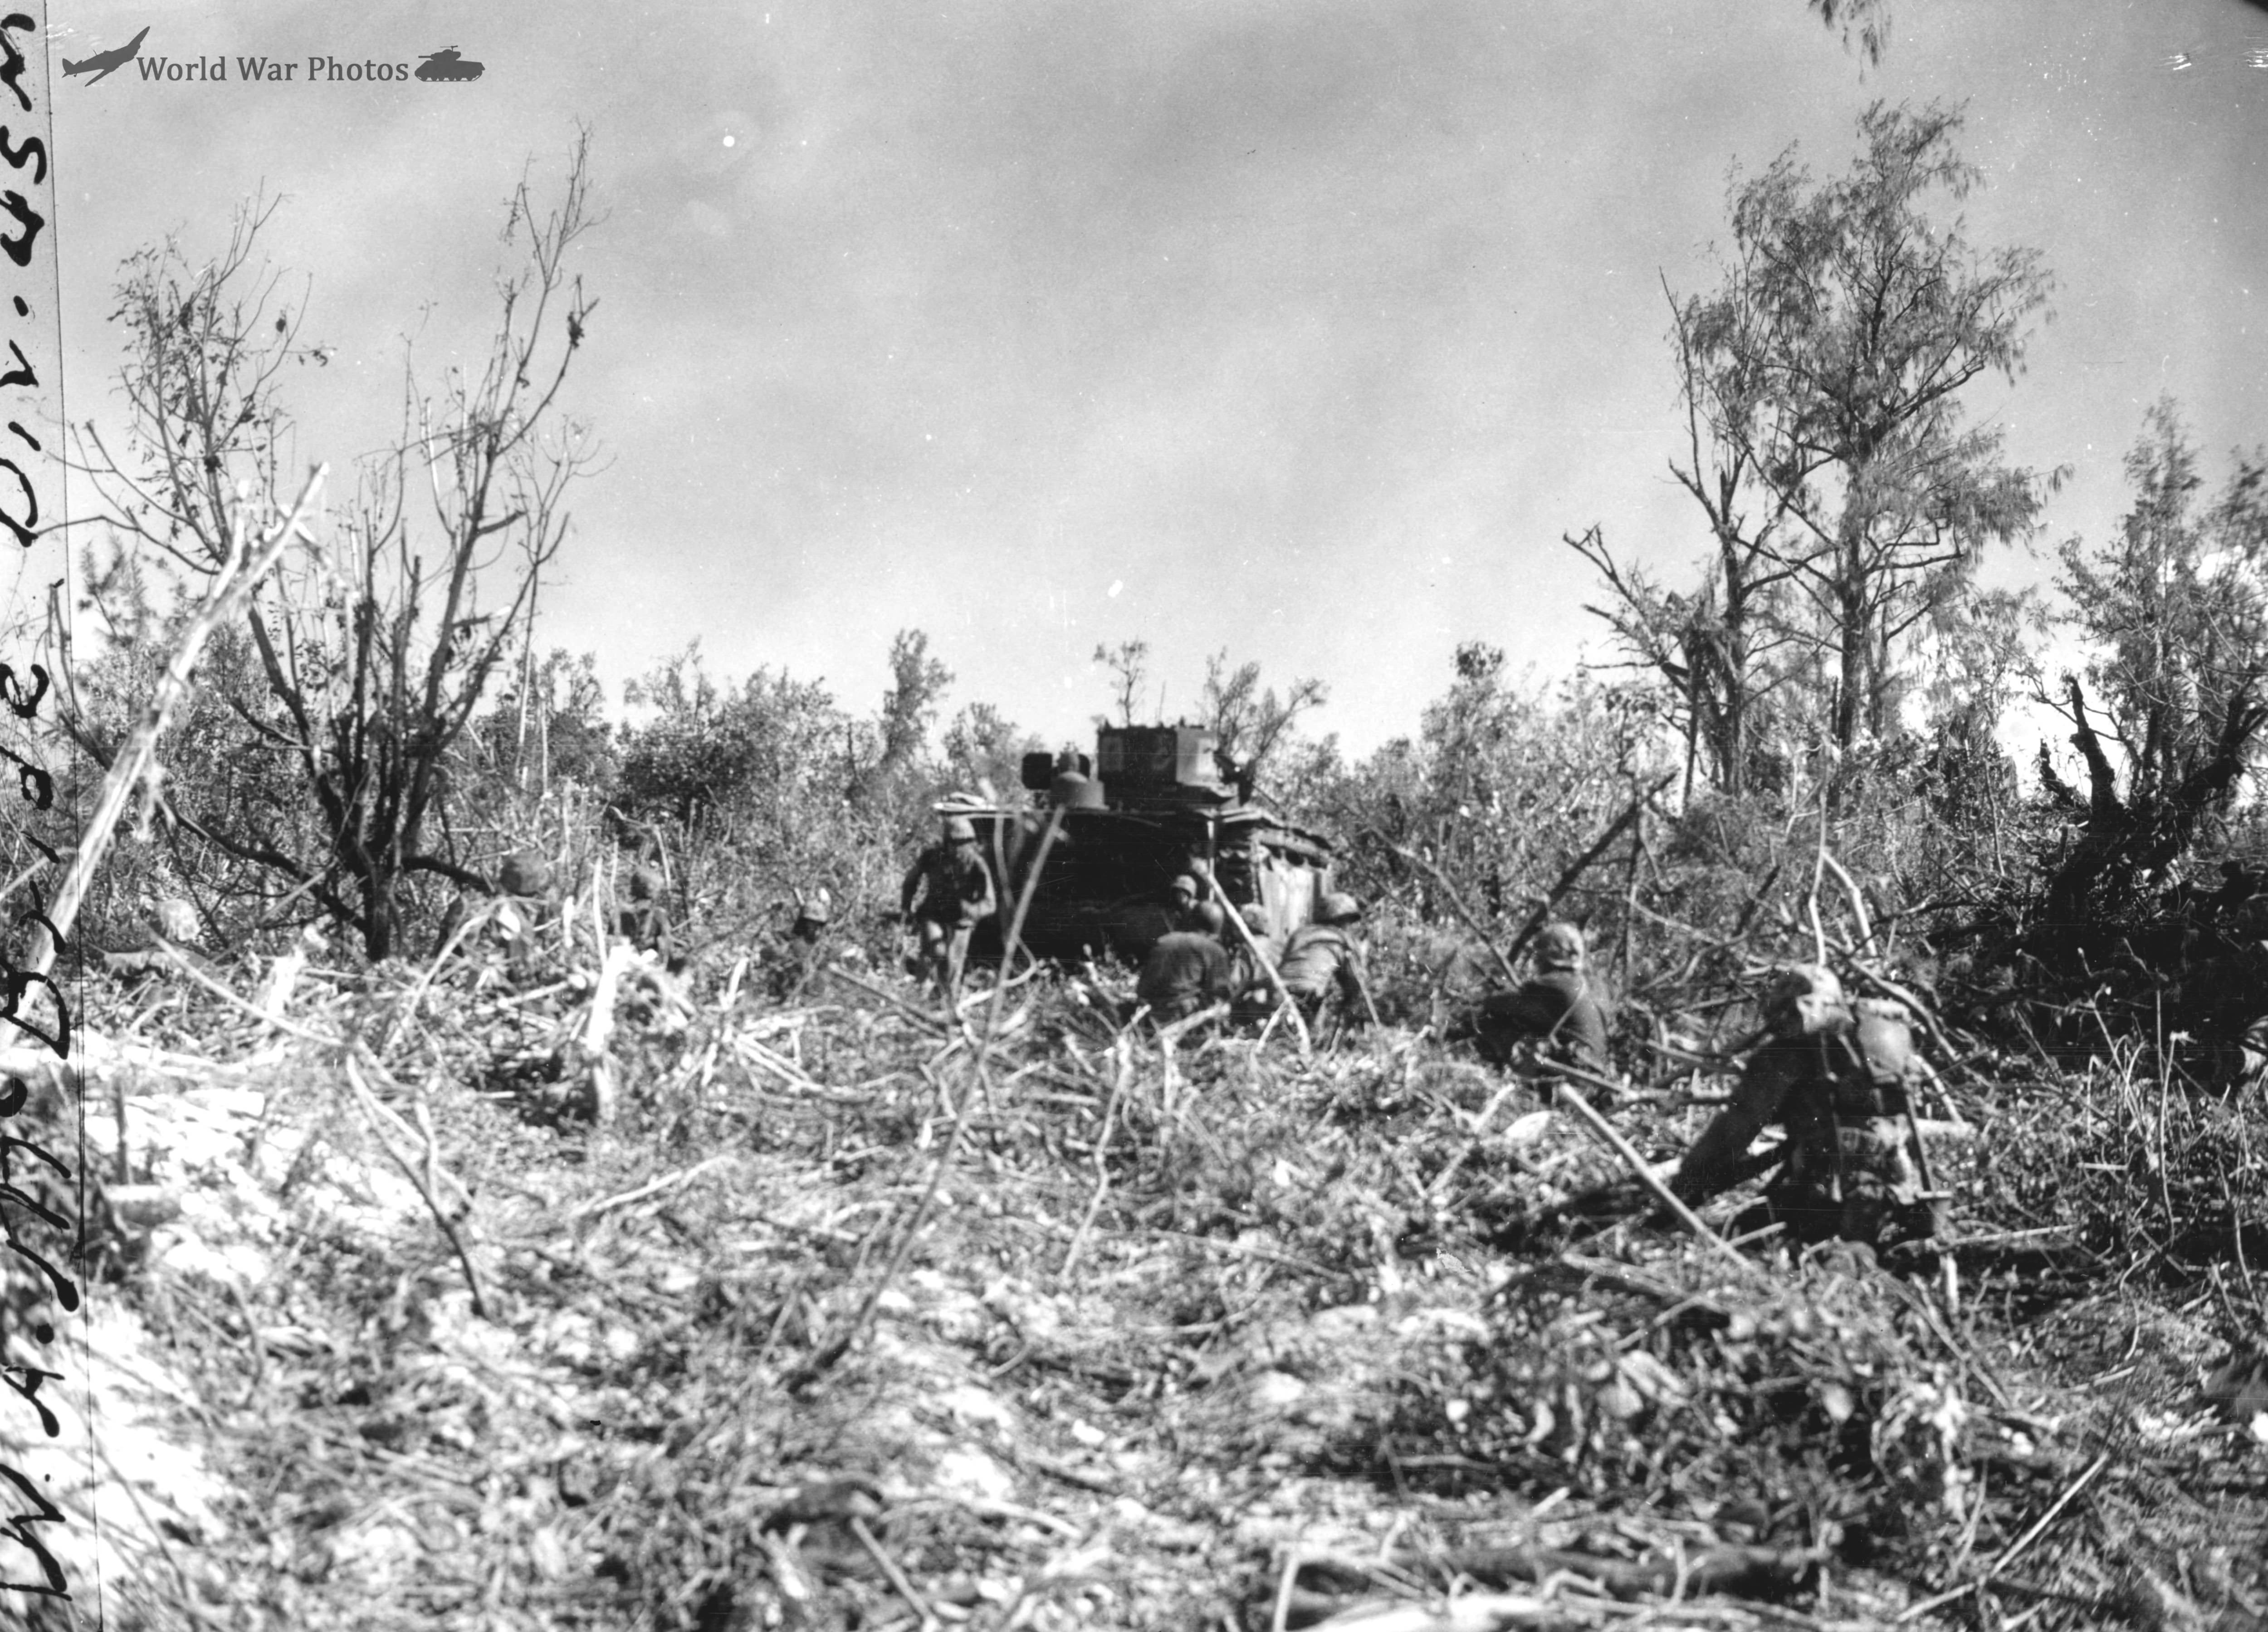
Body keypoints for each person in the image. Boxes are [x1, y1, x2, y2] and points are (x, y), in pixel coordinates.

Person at [1670, 964, 1944, 1260]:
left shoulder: (1783, 1056)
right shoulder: (1879, 1036)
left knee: (1735, 1235)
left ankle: (1844, 1256)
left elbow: (1732, 1133)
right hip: (1897, 1192)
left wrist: (1682, 1188)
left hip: (1822, 1194)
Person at [1460, 921, 1612, 1081]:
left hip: (1569, 1069)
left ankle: (1499, 1076)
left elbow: (1498, 1004)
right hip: (1595, 1071)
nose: (1536, 961)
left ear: (1548, 956)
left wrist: (1475, 1003)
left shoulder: (1555, 984)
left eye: (1538, 955)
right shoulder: (1598, 986)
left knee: (1488, 1018)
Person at [900, 815, 997, 999]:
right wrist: (906, 908)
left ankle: (945, 1004)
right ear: (946, 842)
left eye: (964, 843)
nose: (958, 848)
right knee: (934, 951)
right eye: (954, 843)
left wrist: (970, 910)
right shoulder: (932, 857)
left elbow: (990, 903)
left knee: (952, 968)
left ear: (972, 842)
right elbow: (911, 881)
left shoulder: (977, 865)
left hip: (961, 921)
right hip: (933, 914)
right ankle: (918, 993)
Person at [1274, 892, 1372, 1029]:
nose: (1350, 925)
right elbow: (1354, 981)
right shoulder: (1342, 939)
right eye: (1349, 920)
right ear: (1341, 920)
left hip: (1278, 988)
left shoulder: (1299, 934)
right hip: (1309, 992)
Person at [1135, 895, 1232, 1024]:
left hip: (1146, 1010)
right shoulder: (1215, 950)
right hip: (1180, 1012)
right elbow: (1220, 993)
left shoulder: (1165, 939)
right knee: (1224, 1008)